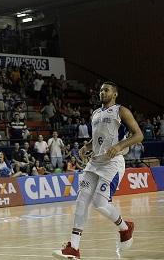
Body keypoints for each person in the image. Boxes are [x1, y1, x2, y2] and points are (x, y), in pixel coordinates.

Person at [53, 82, 143, 259]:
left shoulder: (121, 111)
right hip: (94, 163)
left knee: (100, 203)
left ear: (115, 94)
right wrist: (86, 147)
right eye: (101, 90)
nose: (103, 92)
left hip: (112, 164)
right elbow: (97, 139)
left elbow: (139, 134)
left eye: (106, 90)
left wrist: (119, 146)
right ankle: (74, 248)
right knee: (81, 200)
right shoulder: (95, 113)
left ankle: (125, 227)